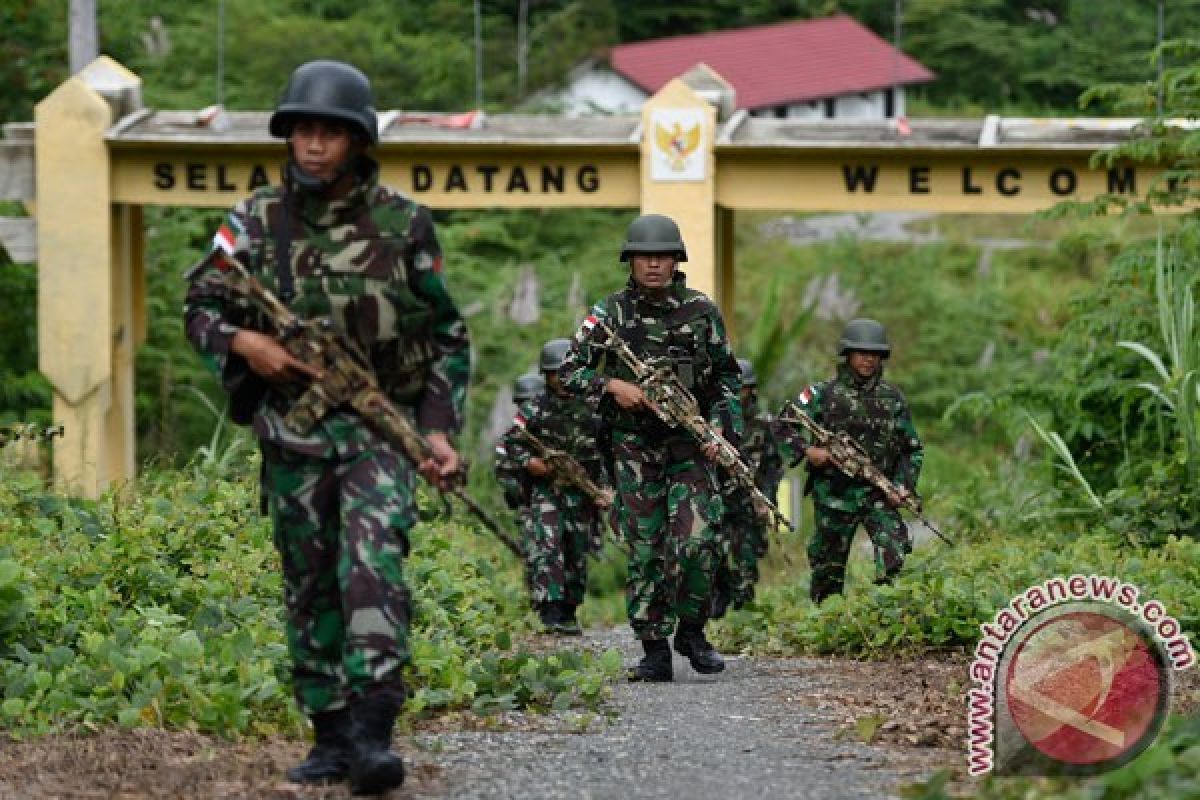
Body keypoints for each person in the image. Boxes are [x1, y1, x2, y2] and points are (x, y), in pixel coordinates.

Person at [183, 60, 470, 795]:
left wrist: (438, 431)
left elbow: (447, 336)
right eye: (302, 131)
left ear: (358, 141)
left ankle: (375, 734)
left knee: (373, 569)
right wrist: (250, 346)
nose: (313, 146)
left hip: (380, 432)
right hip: (293, 437)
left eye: (330, 134)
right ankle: (330, 735)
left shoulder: (403, 223)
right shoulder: (255, 221)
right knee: (309, 584)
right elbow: (200, 307)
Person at [559, 213, 742, 682]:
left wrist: (721, 430)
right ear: (631, 261)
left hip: (690, 447)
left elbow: (727, 378)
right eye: (645, 257)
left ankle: (693, 631)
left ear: (676, 260)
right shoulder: (609, 313)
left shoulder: (701, 310)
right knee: (645, 549)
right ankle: (654, 647)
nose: (654, 265)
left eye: (662, 256)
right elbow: (567, 372)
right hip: (634, 449)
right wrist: (611, 384)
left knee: (697, 542)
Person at [778, 318, 923, 605]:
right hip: (834, 496)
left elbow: (912, 449)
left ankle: (886, 612)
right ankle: (827, 623)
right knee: (828, 570)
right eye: (861, 353)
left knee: (893, 549)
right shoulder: (821, 394)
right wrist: (809, 452)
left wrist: (903, 486)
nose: (868, 360)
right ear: (848, 354)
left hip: (877, 494)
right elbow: (782, 426)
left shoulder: (893, 400)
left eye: (875, 354)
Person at [500, 339, 609, 635]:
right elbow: (508, 444)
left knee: (576, 549)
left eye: (565, 373)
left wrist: (606, 490)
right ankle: (550, 610)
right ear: (545, 375)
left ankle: (569, 609)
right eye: (553, 374)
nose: (560, 381)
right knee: (547, 545)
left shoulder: (594, 410)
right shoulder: (533, 409)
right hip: (547, 490)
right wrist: (529, 462)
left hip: (582, 492)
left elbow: (609, 451)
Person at [710, 358, 784, 617]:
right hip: (719, 500)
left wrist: (769, 499)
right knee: (713, 552)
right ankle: (720, 595)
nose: (736, 395)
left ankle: (743, 610)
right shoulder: (714, 424)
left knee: (747, 558)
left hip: (750, 504)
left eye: (741, 389)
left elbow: (774, 466)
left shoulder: (764, 425)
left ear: (750, 391)